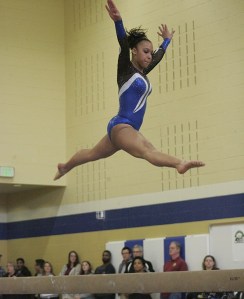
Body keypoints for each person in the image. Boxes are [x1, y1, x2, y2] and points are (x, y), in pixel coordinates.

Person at [54, 0, 205, 181]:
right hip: (123, 126)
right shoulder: (126, 69)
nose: (149, 55)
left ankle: (65, 167)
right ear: (134, 51)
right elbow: (123, 43)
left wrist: (166, 41)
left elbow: (157, 57)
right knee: (147, 149)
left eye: (150, 52)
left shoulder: (142, 72)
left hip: (121, 128)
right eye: (145, 51)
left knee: (93, 153)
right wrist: (118, 22)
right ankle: (179, 163)